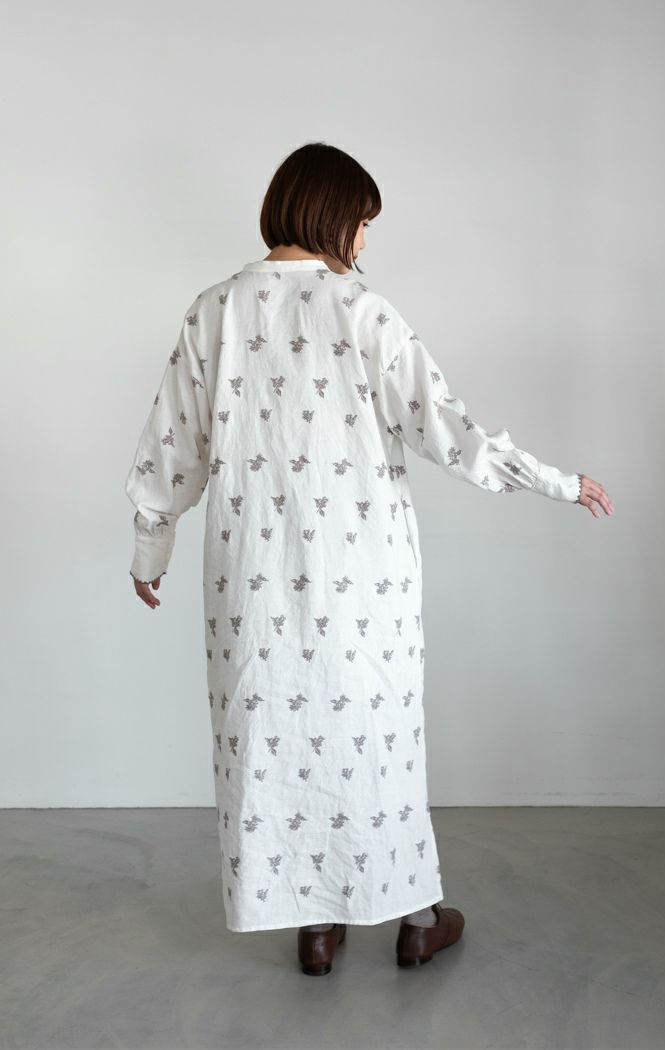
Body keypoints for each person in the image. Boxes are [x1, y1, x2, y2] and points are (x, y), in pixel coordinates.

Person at [125, 141, 613, 977]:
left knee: (277, 733)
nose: (363, 241)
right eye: (362, 223)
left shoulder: (215, 311)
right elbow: (450, 431)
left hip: (252, 579)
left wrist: (151, 544)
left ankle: (316, 926)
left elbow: (172, 447)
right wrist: (556, 482)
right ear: (333, 214)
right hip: (365, 580)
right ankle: (417, 918)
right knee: (372, 736)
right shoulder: (364, 312)